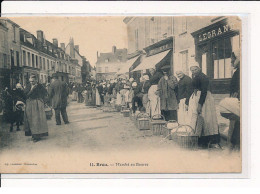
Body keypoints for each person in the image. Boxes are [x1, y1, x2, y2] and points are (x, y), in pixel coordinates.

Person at [186, 64, 219, 148]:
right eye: (192, 70)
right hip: (197, 97)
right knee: (197, 118)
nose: (193, 71)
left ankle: (205, 140)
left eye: (195, 70)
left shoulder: (203, 77)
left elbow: (204, 91)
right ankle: (198, 137)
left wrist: (200, 104)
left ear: (199, 69)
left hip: (204, 99)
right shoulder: (195, 76)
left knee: (205, 118)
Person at [24, 75, 48, 142]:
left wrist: (42, 101)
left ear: (36, 80)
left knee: (37, 120)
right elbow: (25, 95)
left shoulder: (40, 86)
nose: (31, 82)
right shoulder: (28, 86)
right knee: (30, 119)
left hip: (37, 104)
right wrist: (31, 90)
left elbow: (45, 93)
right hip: (29, 104)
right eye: (30, 81)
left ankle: (37, 135)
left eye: (33, 81)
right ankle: (33, 134)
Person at [228, 49, 241, 151]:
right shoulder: (237, 71)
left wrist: (237, 93)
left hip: (238, 100)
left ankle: (234, 146)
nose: (232, 63)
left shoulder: (240, 72)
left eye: (233, 61)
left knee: (236, 123)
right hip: (235, 99)